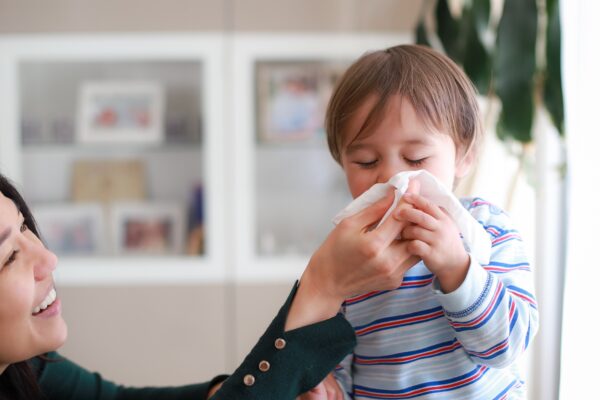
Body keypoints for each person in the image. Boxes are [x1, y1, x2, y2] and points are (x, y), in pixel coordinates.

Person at [0, 171, 418, 400]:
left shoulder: (26, 371)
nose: (47, 259)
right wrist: (321, 289)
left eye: (24, 227)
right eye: (9, 256)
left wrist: (224, 391)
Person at [325, 44, 539, 399]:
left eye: (416, 157)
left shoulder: (487, 228)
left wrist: (458, 268)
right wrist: (328, 387)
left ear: (464, 157)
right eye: (365, 161)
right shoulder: (347, 255)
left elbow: (507, 346)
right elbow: (336, 363)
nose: (392, 177)